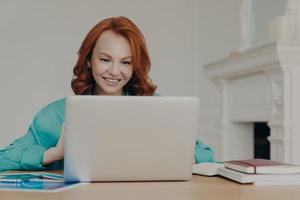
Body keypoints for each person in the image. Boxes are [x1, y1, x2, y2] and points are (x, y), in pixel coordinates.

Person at [0, 16, 215, 171]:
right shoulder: (54, 116)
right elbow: (3, 159)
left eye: (125, 62)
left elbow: (205, 153)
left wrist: (174, 156)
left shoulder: (155, 107)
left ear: (134, 67)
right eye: (105, 59)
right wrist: (55, 154)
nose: (114, 71)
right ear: (88, 61)